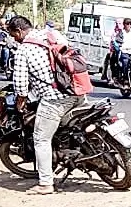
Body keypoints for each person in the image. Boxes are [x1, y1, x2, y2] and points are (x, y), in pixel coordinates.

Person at [7, 15, 84, 195]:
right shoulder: (52, 35)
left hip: (54, 99)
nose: (14, 39)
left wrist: (20, 103)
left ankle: (45, 184)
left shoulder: (23, 50)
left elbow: (20, 86)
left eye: (13, 35)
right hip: (77, 91)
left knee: (41, 139)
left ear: (18, 31)